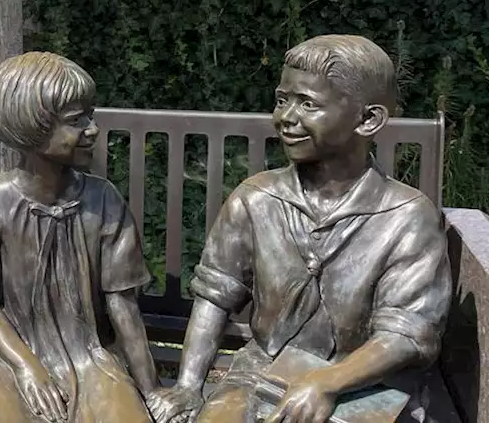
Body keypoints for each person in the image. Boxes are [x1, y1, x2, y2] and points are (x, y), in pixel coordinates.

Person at [146, 34, 452, 423]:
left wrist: (327, 383)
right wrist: (189, 386)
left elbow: (406, 335)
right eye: (281, 99)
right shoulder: (255, 198)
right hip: (261, 370)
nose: (285, 118)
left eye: (308, 104)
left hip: (367, 384)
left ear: (368, 119)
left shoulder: (407, 217)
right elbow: (214, 296)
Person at [0, 52, 158, 423]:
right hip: (2, 353)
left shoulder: (102, 199)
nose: (92, 129)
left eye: (91, 115)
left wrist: (151, 391)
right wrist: (28, 368)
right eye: (76, 121)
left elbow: (122, 305)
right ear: (33, 130)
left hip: (85, 352)